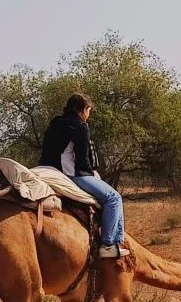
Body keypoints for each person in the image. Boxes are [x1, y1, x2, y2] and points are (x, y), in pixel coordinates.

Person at [39, 93, 129, 259]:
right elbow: (81, 160)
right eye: (89, 110)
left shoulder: (54, 124)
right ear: (83, 110)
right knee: (113, 198)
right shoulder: (81, 127)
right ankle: (109, 244)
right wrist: (92, 173)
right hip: (70, 175)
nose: (89, 114)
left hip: (45, 171)